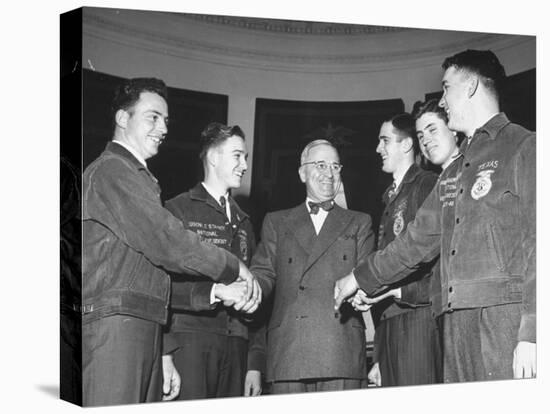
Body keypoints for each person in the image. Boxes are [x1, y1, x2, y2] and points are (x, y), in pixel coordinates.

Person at [335, 50, 536, 382]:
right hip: (454, 324)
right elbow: (414, 242)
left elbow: (539, 244)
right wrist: (358, 277)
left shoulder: (524, 146)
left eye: (446, 88)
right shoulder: (453, 170)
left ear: (470, 86)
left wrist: (532, 331)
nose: (442, 100)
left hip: (503, 321)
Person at [82, 78, 259, 406]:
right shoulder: (112, 171)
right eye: (153, 117)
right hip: (118, 324)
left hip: (142, 322)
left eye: (165, 120)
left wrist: (162, 352)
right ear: (123, 118)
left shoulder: (139, 177)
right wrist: (233, 267)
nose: (163, 128)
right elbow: (169, 243)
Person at [251, 139, 374, 394]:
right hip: (289, 351)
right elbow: (264, 274)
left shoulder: (360, 222)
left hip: (340, 349)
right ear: (302, 172)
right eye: (320, 165)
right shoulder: (276, 222)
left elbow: (367, 276)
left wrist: (364, 292)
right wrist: (248, 289)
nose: (329, 173)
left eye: (335, 166)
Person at [163, 122, 265, 400]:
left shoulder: (245, 222)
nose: (244, 164)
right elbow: (161, 286)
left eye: (245, 157)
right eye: (237, 156)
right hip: (190, 341)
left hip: (237, 345)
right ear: (212, 157)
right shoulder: (177, 210)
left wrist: (255, 362)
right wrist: (165, 352)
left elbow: (256, 294)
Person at [351, 113, 441, 387]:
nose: (378, 148)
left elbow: (432, 260)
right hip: (389, 322)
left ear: (406, 145)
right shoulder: (390, 196)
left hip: (416, 320)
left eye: (385, 140)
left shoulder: (426, 184)